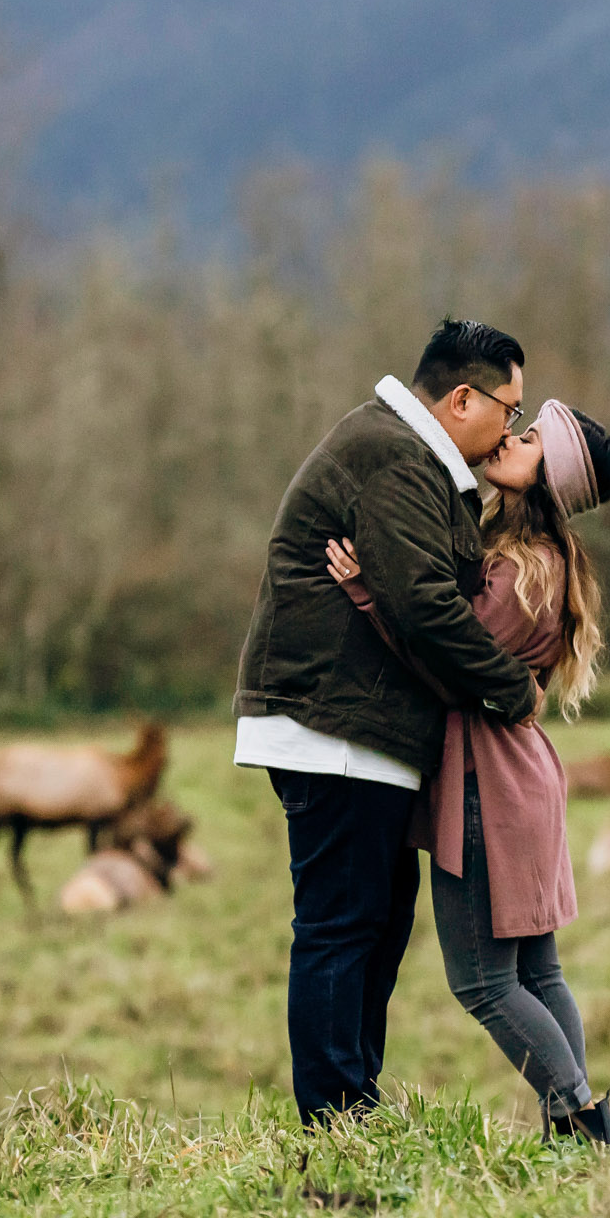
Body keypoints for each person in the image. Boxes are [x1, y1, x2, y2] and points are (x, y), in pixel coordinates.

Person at [233, 319, 541, 1127]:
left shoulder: (412, 460)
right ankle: (335, 1116)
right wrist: (514, 689)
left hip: (357, 732)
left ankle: (353, 1104)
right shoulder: (392, 457)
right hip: (330, 725)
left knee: (376, 917)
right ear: (463, 397)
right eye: (509, 407)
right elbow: (427, 608)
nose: (511, 425)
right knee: (342, 921)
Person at [324, 397, 610, 1147]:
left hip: (488, 784)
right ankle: (575, 1128)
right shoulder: (537, 561)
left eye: (528, 440)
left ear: (548, 474)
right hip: (519, 778)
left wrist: (368, 590)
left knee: (486, 982)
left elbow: (446, 654)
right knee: (539, 970)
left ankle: (586, 1121)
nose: (509, 440)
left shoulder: (523, 571)